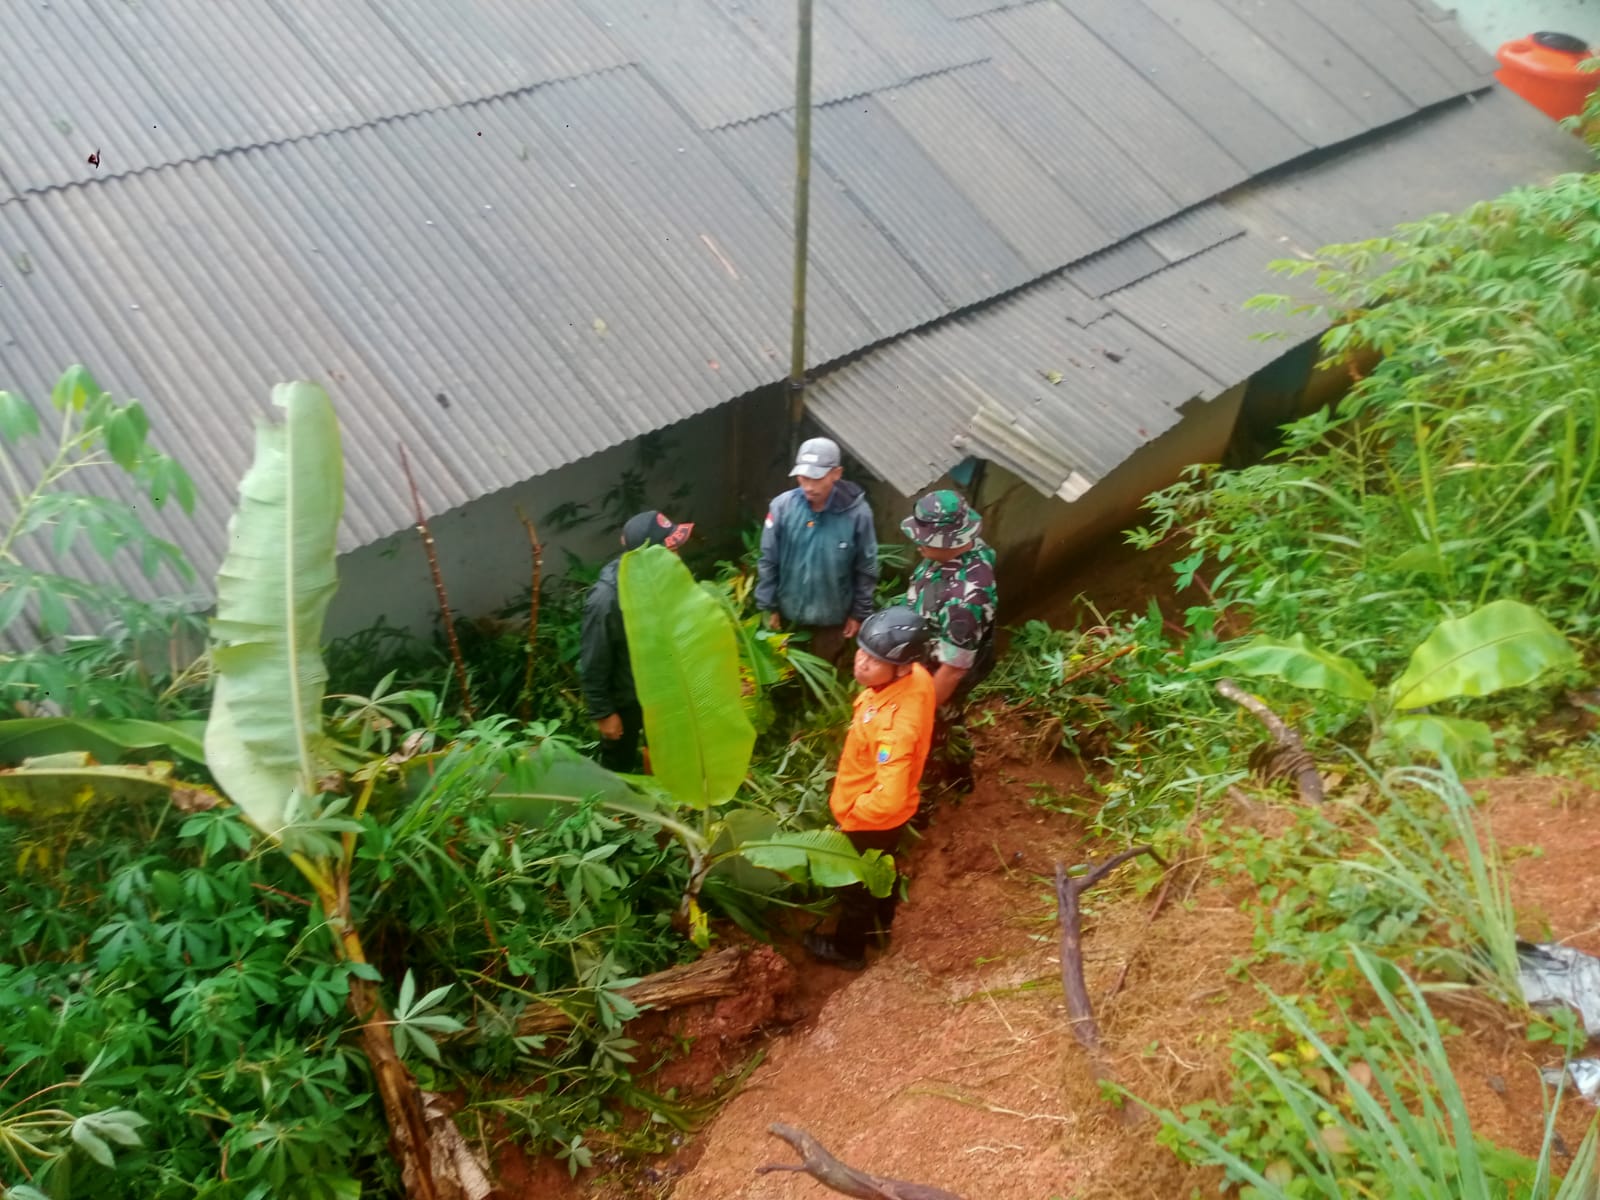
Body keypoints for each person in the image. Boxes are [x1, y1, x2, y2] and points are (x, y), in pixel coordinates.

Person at [804, 606, 937, 970]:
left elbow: (888, 797)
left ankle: (848, 951)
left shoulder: (894, 728)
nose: (861, 662)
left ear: (900, 667)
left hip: (869, 821)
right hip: (887, 819)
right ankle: (883, 920)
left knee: (854, 889)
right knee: (883, 866)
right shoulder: (917, 678)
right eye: (862, 651)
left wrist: (850, 817)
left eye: (873, 659)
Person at [579, 509, 693, 774]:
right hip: (626, 697)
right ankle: (620, 812)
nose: (677, 556)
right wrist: (603, 713)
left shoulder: (668, 579)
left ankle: (662, 805)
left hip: (663, 689)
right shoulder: (607, 600)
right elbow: (593, 660)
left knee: (666, 754)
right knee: (618, 765)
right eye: (669, 550)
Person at [755, 436, 878, 666]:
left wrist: (859, 612)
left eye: (817, 478)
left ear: (836, 473)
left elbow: (866, 566)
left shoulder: (857, 514)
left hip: (832, 616)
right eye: (803, 478)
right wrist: (768, 605)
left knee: (824, 671)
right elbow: (768, 559)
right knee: (787, 674)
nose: (809, 486)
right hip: (788, 613)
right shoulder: (782, 507)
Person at [901, 490, 998, 710]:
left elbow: (953, 670)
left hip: (934, 682)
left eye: (924, 538)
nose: (917, 542)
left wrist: (919, 715)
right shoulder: (971, 547)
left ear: (951, 541)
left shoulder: (965, 602)